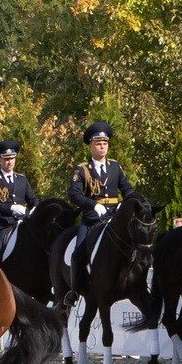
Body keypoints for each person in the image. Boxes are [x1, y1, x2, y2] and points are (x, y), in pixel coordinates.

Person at [64, 123, 128, 291]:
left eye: (105, 143)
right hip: (92, 220)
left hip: (114, 218)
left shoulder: (115, 167)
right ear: (90, 145)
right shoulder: (83, 170)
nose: (102, 147)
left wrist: (125, 203)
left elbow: (127, 188)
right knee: (78, 254)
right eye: (98, 143)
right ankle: (74, 291)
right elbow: (74, 194)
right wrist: (93, 205)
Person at [0, 140, 36, 262]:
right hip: (0, 224)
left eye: (12, 158)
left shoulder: (22, 179)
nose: (9, 162)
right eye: (6, 159)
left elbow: (32, 199)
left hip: (21, 223)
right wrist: (11, 208)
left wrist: (36, 208)